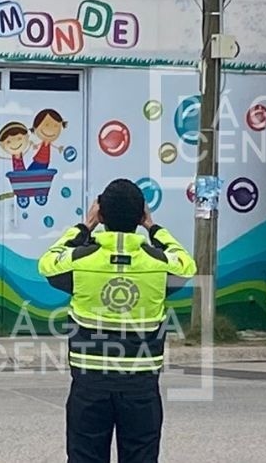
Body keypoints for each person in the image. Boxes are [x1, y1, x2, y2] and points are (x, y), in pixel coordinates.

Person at [38, 179, 196, 463]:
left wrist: (85, 226)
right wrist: (153, 227)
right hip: (141, 387)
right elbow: (186, 264)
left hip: (89, 385)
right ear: (141, 215)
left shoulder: (80, 261)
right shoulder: (159, 265)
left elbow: (48, 262)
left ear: (100, 214)